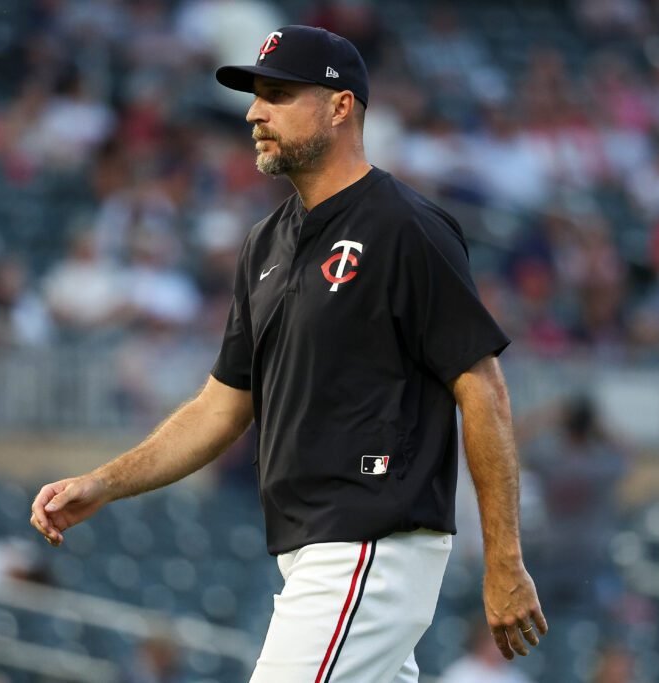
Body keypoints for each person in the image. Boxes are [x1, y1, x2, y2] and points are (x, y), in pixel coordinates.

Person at [31, 25, 546, 682]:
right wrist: (105, 481)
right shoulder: (264, 244)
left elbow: (482, 388)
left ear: (339, 106)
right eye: (255, 96)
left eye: (276, 94)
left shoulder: (404, 227)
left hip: (367, 539)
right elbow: (219, 407)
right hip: (308, 548)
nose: (253, 112)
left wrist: (504, 557)